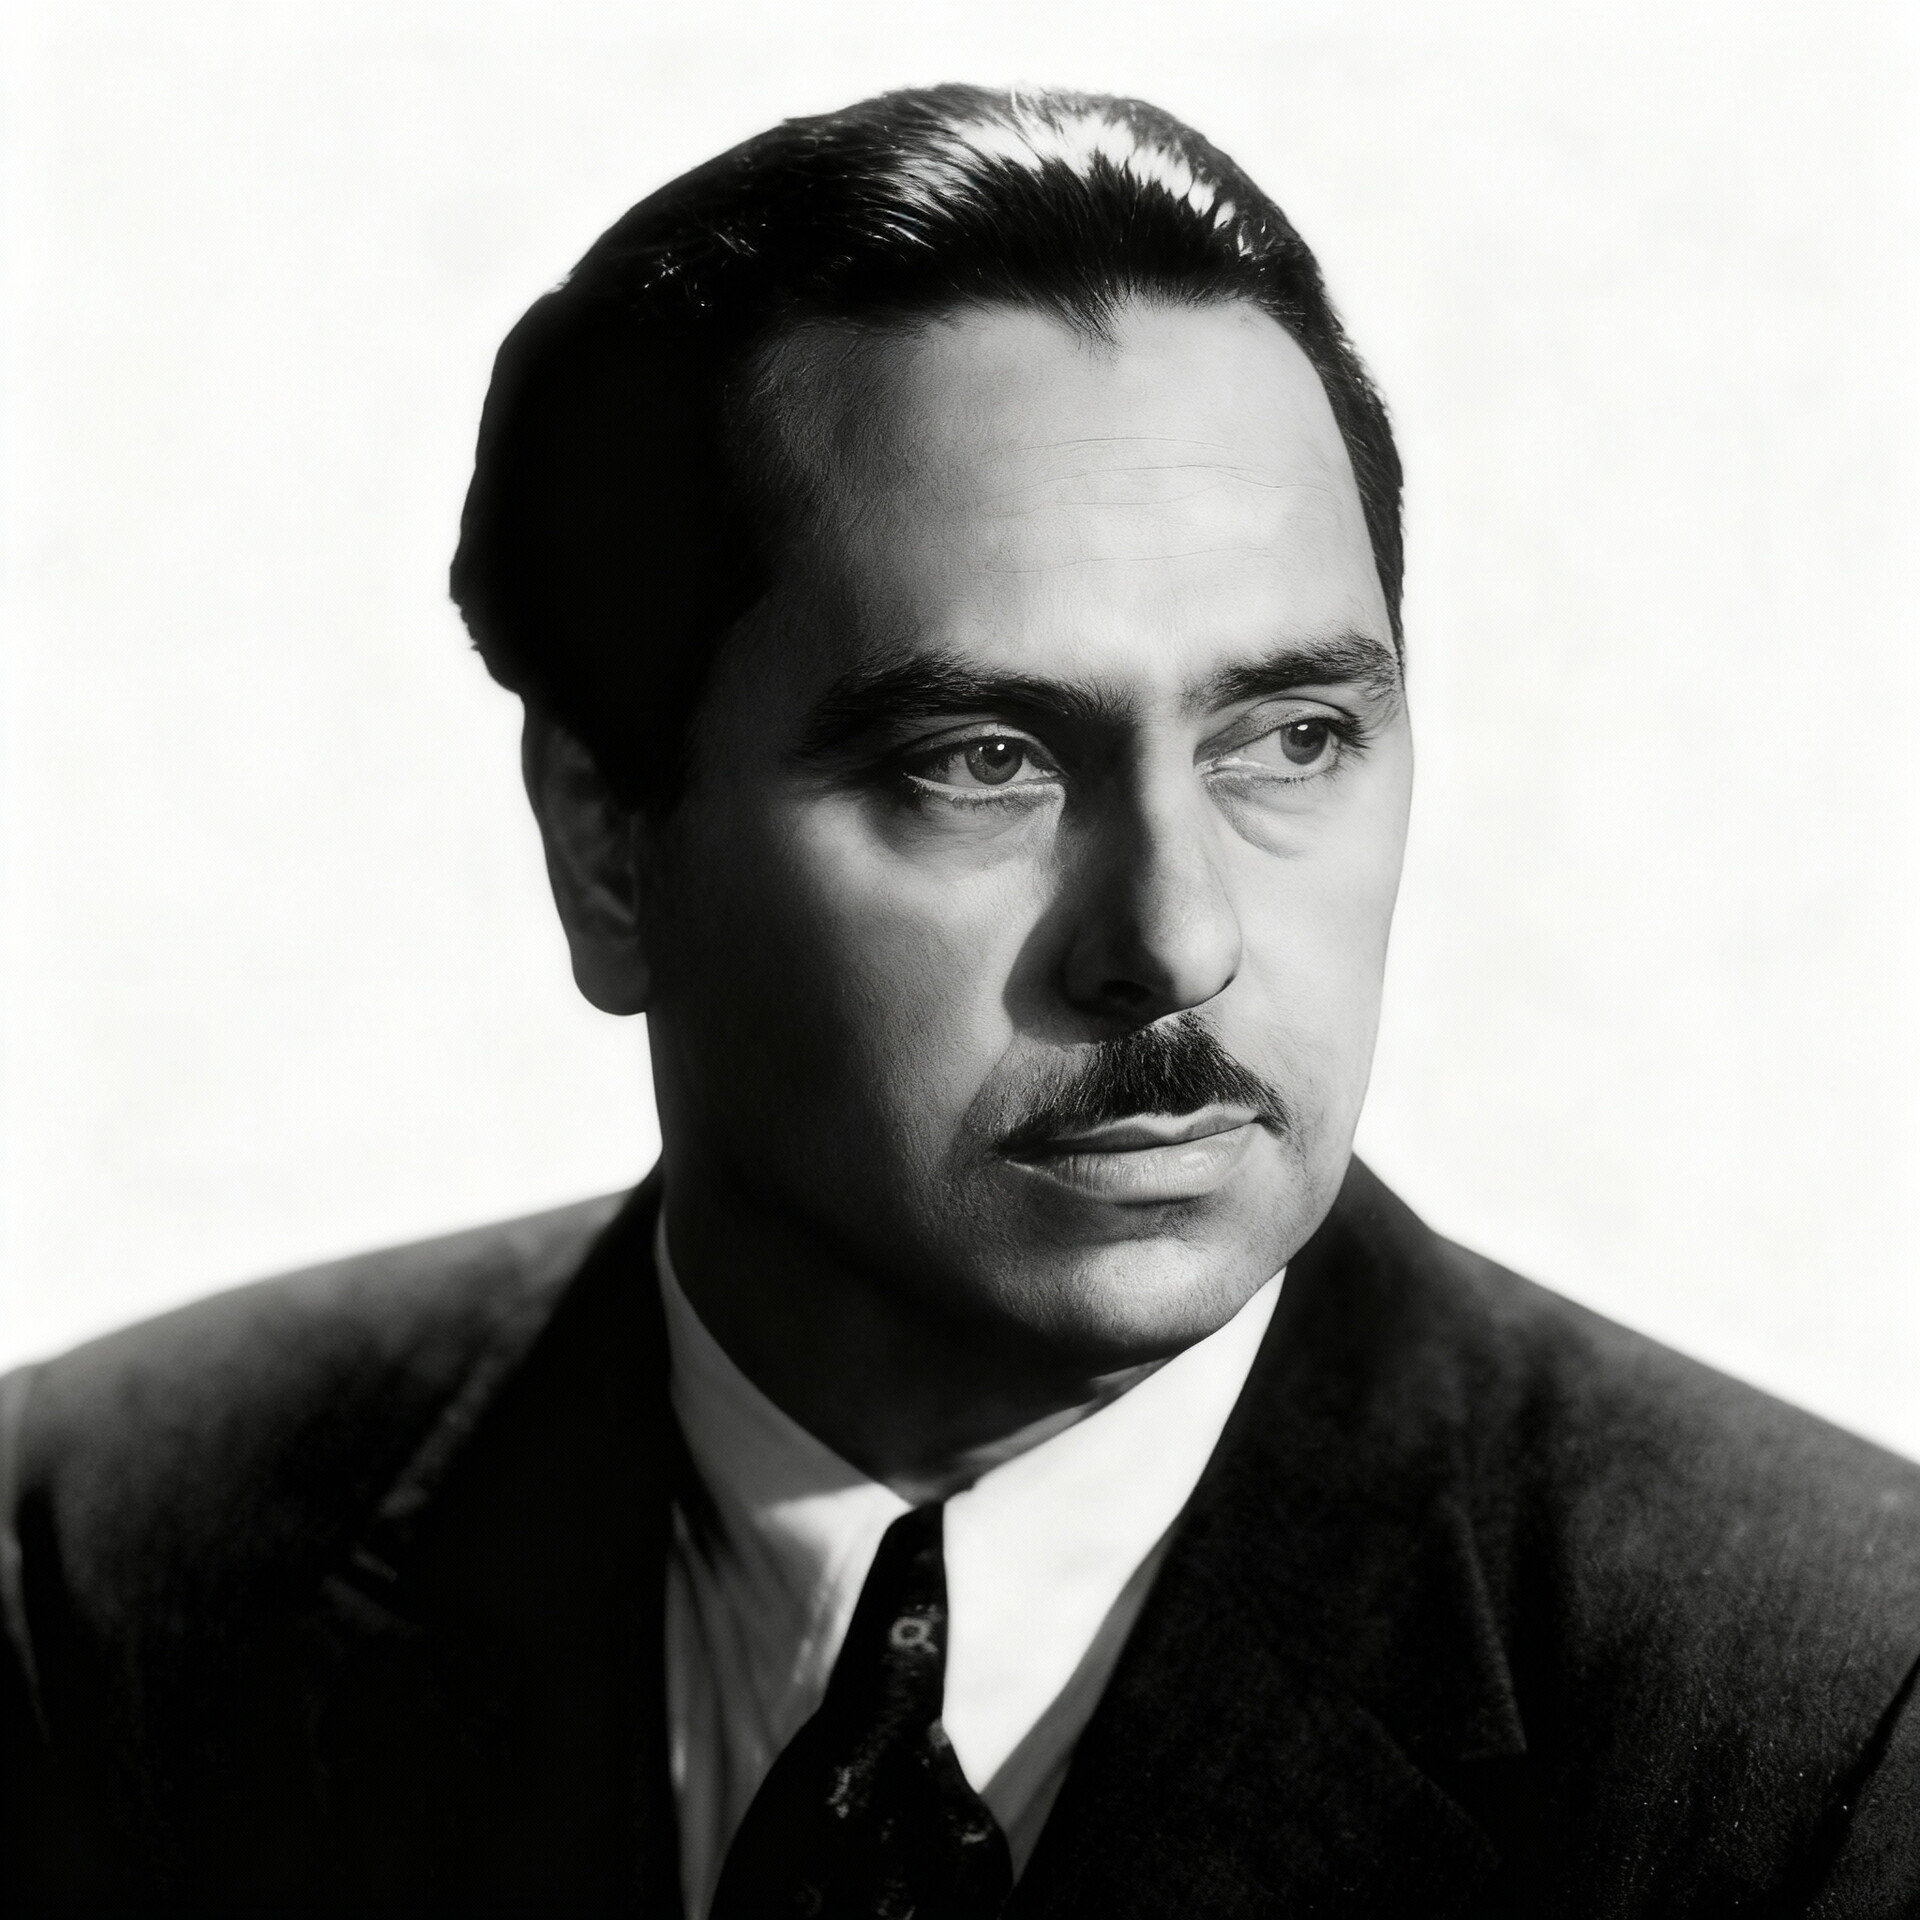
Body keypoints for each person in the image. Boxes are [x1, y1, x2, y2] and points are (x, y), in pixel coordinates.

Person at [2, 83, 1916, 1918]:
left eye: (1292, 737)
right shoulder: (86, 1580)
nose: (1177, 940)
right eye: (981, 761)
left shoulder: (1832, 1735)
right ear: (606, 843)